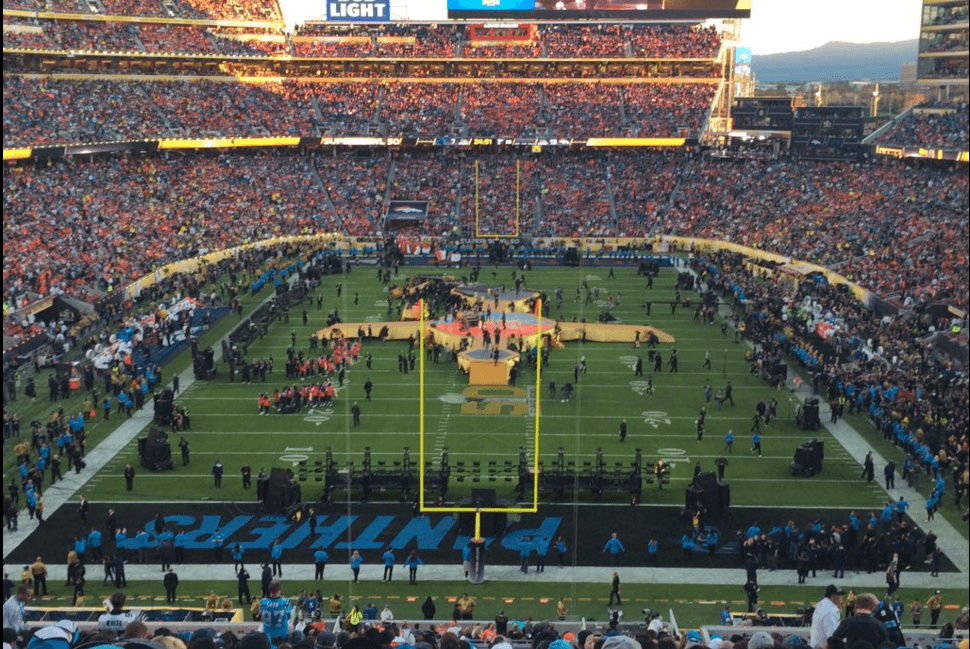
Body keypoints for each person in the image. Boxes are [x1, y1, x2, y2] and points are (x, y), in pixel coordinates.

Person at [260, 580, 292, 644]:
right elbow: (289, 616)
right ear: (279, 590)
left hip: (268, 635)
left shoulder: (262, 602)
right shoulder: (286, 602)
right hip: (282, 634)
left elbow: (261, 616)